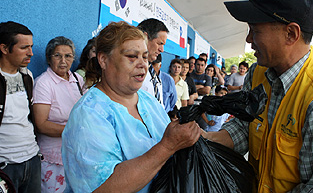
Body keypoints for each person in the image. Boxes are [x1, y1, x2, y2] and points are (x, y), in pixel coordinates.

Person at [202, 0, 313, 192]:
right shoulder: (258, 73)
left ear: (291, 34)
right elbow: (246, 126)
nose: (249, 39)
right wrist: (206, 139)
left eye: (255, 30)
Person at [61, 21, 200, 193]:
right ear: (103, 60)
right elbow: (103, 188)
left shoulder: (146, 99)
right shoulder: (89, 114)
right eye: (132, 57)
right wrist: (167, 147)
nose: (142, 64)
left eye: (144, 56)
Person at [33, 36, 85, 192]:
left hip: (74, 153)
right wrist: (74, 131)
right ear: (49, 59)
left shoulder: (77, 79)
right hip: (53, 157)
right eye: (57, 55)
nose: (63, 60)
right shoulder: (44, 83)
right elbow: (41, 125)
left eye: (68, 56)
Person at [0, 21, 41, 192]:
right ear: (4, 48)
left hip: (32, 159)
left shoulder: (27, 76)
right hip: (5, 165)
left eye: (31, 46)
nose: (30, 53)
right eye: (24, 47)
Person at [138, 18, 168, 106]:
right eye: (159, 43)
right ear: (145, 37)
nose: (162, 50)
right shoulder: (131, 69)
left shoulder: (152, 71)